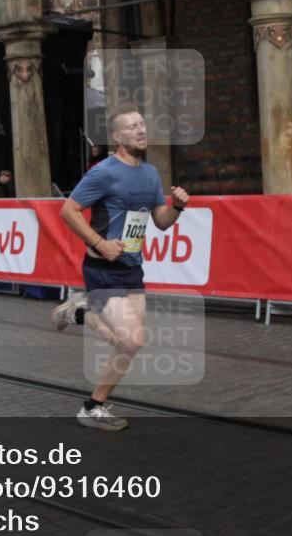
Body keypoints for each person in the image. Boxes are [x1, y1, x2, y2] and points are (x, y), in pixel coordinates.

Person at [51, 105, 190, 430]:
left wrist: (177, 207)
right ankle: (92, 408)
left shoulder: (150, 173)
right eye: (132, 126)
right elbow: (68, 211)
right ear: (116, 137)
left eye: (142, 124)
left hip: (132, 268)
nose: (141, 130)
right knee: (132, 341)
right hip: (102, 269)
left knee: (124, 342)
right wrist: (100, 243)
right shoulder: (104, 172)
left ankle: (79, 312)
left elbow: (161, 221)